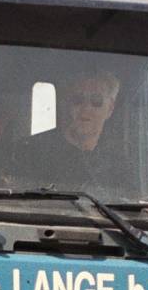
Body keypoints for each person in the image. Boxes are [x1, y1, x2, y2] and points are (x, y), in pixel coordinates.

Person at [19, 65, 136, 196]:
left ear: (110, 108)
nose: (86, 108)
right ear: (65, 103)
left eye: (96, 101)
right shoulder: (31, 153)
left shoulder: (118, 165)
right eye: (78, 99)